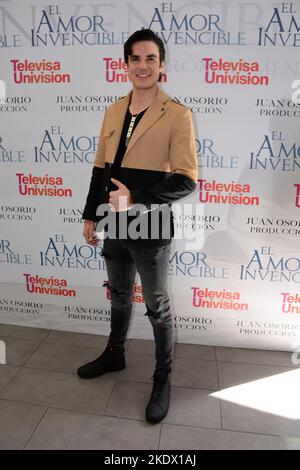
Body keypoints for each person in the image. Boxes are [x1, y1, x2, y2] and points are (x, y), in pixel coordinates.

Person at [77, 29, 198, 424]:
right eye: (135, 58)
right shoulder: (113, 110)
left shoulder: (178, 114)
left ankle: (162, 379)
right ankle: (115, 354)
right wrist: (90, 215)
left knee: (157, 307)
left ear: (162, 66)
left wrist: (137, 199)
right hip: (114, 224)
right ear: (125, 64)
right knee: (118, 294)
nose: (142, 66)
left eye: (150, 58)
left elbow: (185, 179)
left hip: (151, 226)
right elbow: (101, 170)